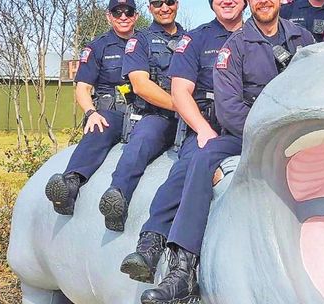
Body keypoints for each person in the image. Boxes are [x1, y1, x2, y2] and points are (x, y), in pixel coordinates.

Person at [119, 0, 247, 303]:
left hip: (249, 124)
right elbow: (179, 91)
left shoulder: (261, 36)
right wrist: (202, 128)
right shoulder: (197, 39)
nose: (227, 1)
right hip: (208, 123)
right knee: (187, 166)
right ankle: (156, 246)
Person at [45, 0, 139, 216]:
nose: (123, 17)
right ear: (109, 16)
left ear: (135, 16)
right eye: (117, 12)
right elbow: (82, 88)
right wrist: (91, 113)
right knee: (99, 127)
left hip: (143, 111)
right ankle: (70, 184)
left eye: (128, 12)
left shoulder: (146, 43)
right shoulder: (97, 47)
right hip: (111, 113)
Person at [98, 0, 185, 232]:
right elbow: (140, 85)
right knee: (142, 140)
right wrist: (182, 106)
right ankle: (118, 195)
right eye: (157, 3)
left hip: (193, 117)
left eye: (169, 1)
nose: (164, 7)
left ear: (178, 4)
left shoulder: (192, 38)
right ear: (149, 8)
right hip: (160, 115)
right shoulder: (140, 41)